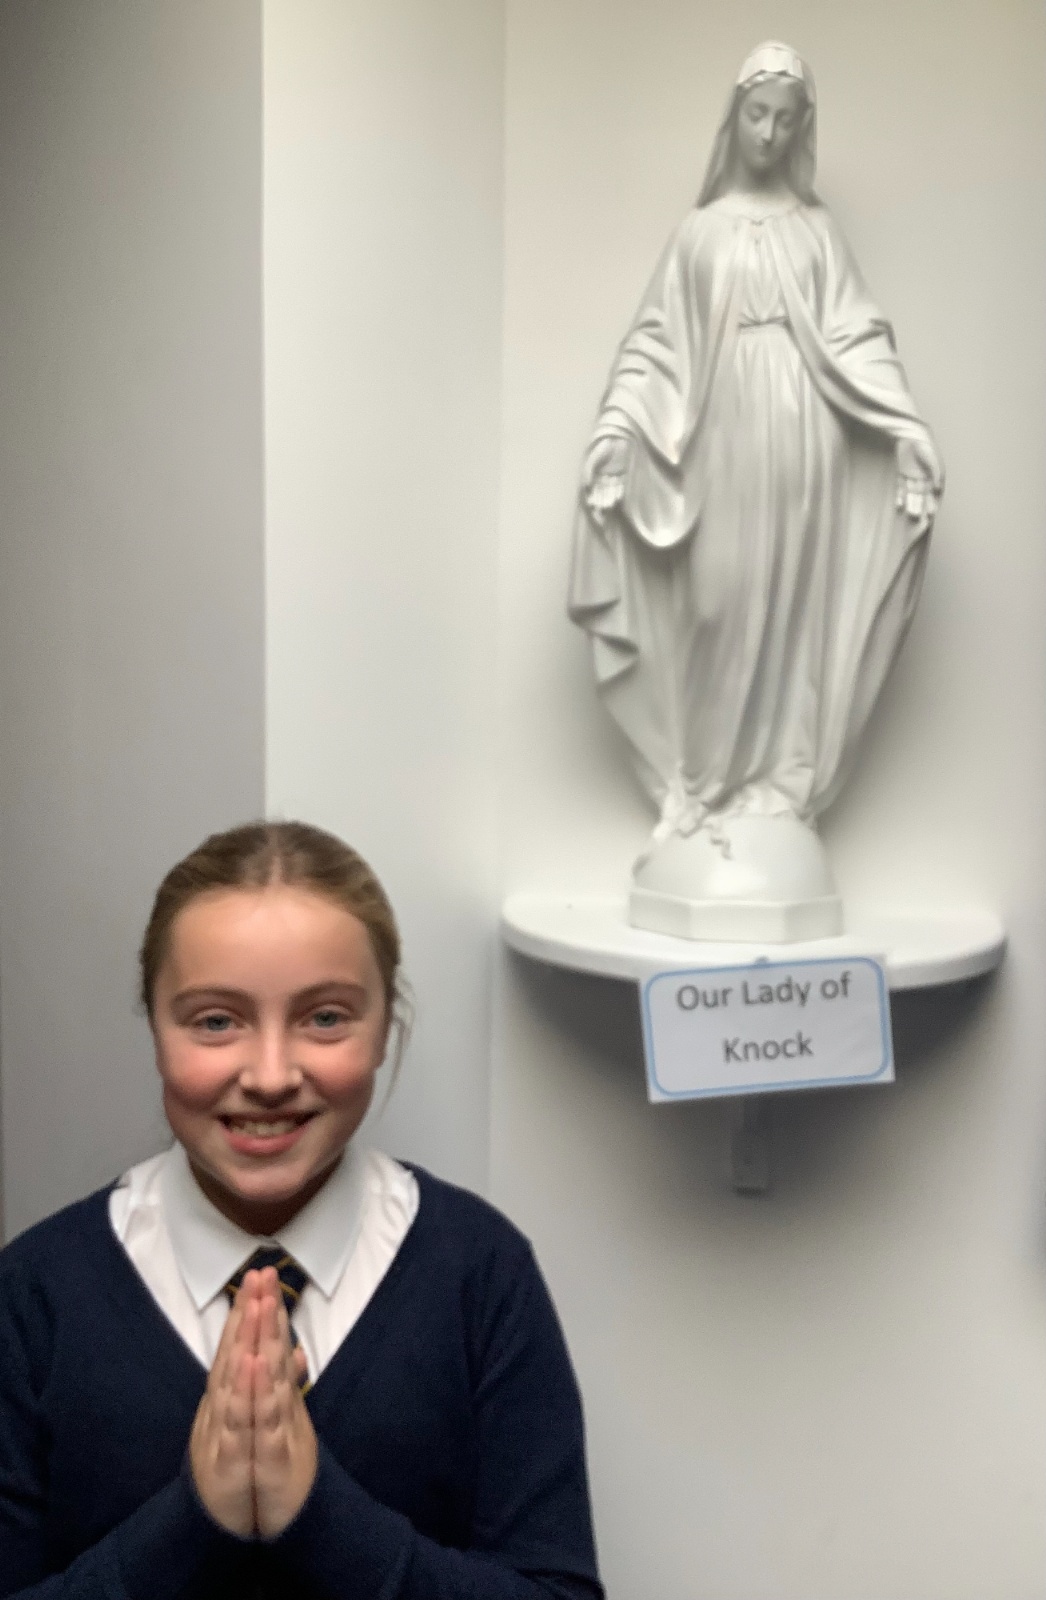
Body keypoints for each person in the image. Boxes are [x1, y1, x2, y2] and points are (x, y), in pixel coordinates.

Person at [0, 821, 603, 1599]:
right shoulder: (37, 1293)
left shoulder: (480, 1273)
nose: (271, 1075)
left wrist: (320, 1520)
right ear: (155, 1027)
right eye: (216, 1021)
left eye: (325, 1018)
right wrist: (192, 1522)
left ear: (385, 1028)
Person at [570, 40, 943, 852]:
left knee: (789, 612)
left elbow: (858, 335)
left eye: (785, 120)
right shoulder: (698, 233)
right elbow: (655, 344)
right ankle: (703, 786)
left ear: (803, 128)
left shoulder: (817, 232)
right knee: (716, 601)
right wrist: (617, 430)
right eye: (757, 115)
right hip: (720, 432)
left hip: (807, 437)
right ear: (733, 118)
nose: (769, 134)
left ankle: (774, 790)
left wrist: (906, 429)